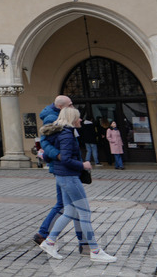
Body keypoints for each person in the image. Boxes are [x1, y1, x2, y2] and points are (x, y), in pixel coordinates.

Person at [38, 106, 117, 263]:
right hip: (69, 177)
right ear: (72, 118)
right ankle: (94, 250)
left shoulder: (57, 132)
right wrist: (83, 165)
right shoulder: (66, 134)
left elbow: (48, 154)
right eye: (78, 117)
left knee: (69, 211)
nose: (81, 119)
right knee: (84, 213)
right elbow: (66, 158)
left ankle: (49, 242)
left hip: (62, 176)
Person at [33, 95, 88, 254]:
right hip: (64, 168)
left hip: (66, 167)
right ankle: (44, 235)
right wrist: (59, 156)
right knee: (69, 206)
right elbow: (45, 142)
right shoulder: (52, 118)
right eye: (70, 105)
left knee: (68, 206)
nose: (73, 107)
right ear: (61, 107)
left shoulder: (58, 116)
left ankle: (82, 243)